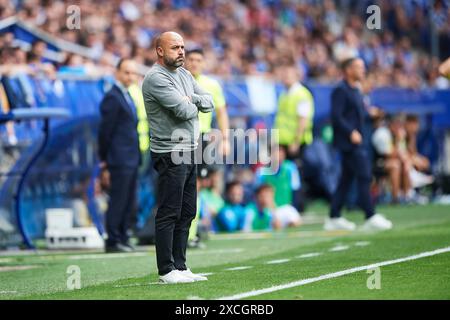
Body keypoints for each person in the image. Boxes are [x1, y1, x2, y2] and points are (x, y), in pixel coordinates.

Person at [142, 31, 214, 284]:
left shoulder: (184, 74)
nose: (181, 51)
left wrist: (191, 98)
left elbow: (209, 101)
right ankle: (166, 269)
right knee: (169, 211)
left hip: (191, 148)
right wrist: (193, 102)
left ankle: (181, 266)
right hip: (170, 151)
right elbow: (184, 111)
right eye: (175, 47)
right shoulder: (155, 78)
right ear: (160, 51)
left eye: (183, 47)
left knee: (187, 210)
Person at [326, 57, 393, 231]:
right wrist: (351, 132)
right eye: (358, 67)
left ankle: (334, 216)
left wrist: (371, 113)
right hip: (348, 143)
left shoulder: (356, 90)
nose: (362, 70)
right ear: (348, 70)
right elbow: (337, 116)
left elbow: (358, 113)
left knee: (346, 180)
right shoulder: (340, 90)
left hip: (356, 141)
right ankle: (370, 215)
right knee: (364, 175)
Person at [98, 58, 140, 253]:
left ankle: (123, 236)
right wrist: (104, 159)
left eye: (133, 73)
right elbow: (105, 131)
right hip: (119, 158)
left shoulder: (127, 95)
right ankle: (113, 239)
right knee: (119, 199)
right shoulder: (112, 97)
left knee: (129, 200)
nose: (130, 76)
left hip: (131, 157)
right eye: (126, 72)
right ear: (117, 73)